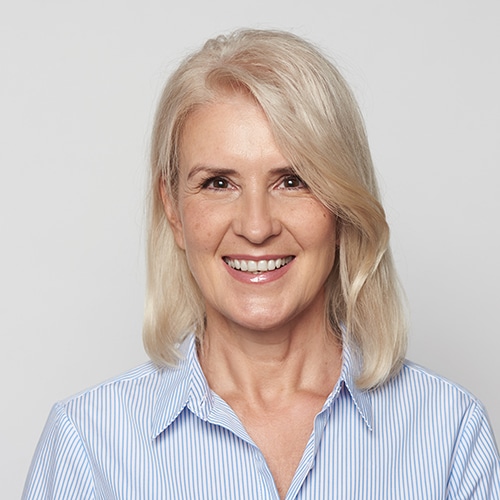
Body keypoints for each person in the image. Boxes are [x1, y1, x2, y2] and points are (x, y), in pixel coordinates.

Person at [23, 29, 500, 499]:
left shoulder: (449, 434)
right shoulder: (88, 445)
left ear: (343, 204)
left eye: (292, 180)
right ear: (173, 209)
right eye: (218, 183)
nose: (256, 227)